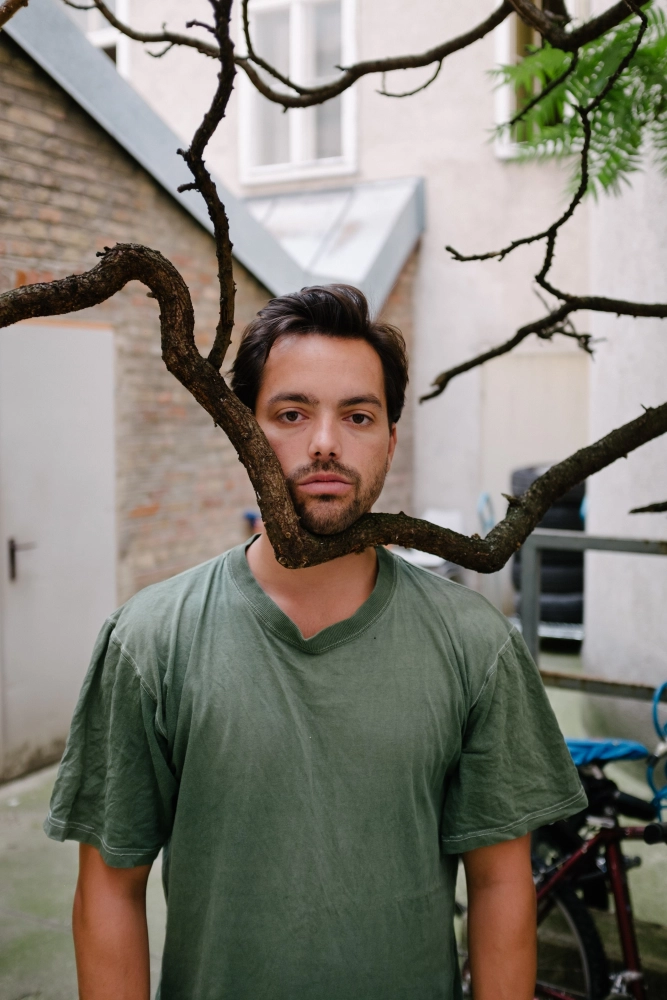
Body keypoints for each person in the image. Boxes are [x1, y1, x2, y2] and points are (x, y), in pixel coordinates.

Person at [45, 284, 587, 1000]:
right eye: (292, 414)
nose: (325, 442)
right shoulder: (148, 642)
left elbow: (499, 885)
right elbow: (110, 891)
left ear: (390, 439)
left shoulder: (475, 646)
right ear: (243, 431)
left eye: (357, 415)